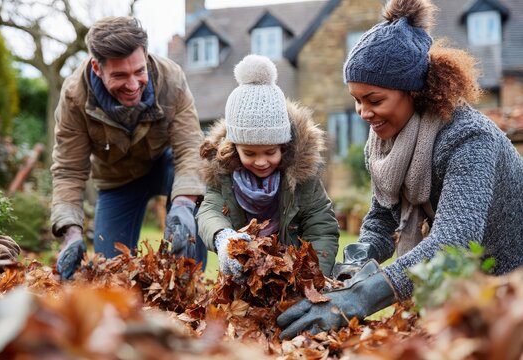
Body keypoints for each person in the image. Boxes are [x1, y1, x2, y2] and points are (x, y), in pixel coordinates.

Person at [277, 0, 523, 339]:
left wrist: (363, 297)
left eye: (374, 100)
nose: (363, 113)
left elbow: (455, 243)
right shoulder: (382, 144)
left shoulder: (469, 138)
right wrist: (356, 263)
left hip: (511, 284)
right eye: (356, 100)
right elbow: (382, 218)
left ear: (415, 91)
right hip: (462, 293)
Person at [51, 16, 207, 280]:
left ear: (145, 56)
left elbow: (191, 144)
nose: (133, 85)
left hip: (166, 165)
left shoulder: (171, 78)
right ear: (97, 69)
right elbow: (68, 169)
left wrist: (183, 204)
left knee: (192, 212)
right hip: (117, 179)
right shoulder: (74, 96)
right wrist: (71, 232)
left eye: (139, 71)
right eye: (120, 76)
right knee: (113, 274)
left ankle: (190, 292)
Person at [197, 54, 339, 281]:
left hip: (294, 275)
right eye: (250, 153)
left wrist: (313, 276)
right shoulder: (224, 175)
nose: (261, 161)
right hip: (244, 276)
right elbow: (210, 211)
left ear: (284, 146)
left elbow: (320, 226)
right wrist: (223, 237)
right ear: (234, 149)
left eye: (270, 152)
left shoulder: (302, 177)